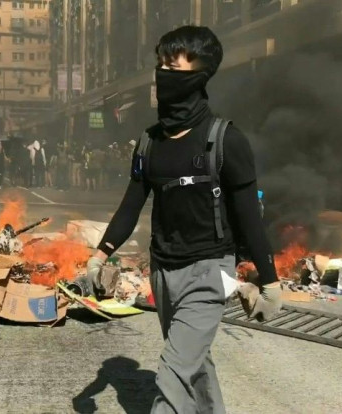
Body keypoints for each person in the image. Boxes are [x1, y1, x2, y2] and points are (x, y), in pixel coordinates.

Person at [85, 26, 281, 413]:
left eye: (172, 66)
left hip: (209, 271)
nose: (162, 75)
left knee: (173, 373)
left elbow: (248, 217)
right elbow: (131, 204)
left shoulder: (225, 139)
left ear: (201, 73)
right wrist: (100, 254)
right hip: (163, 271)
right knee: (193, 361)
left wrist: (270, 281)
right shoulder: (149, 141)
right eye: (160, 65)